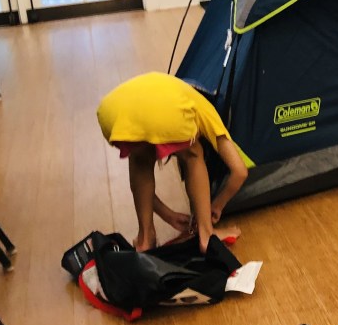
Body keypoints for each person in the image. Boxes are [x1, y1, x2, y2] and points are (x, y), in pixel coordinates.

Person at [96, 71, 248, 253]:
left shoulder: (171, 91)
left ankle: (145, 239)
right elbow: (240, 172)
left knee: (141, 159)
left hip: (110, 112)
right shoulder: (205, 109)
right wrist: (217, 206)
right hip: (160, 115)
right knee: (194, 153)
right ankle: (206, 234)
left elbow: (139, 185)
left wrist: (168, 215)